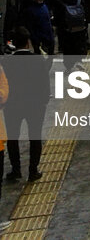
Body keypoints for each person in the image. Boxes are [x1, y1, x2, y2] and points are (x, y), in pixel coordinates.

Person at [4, 27, 49, 182]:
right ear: (28, 43)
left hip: (12, 105)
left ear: (13, 44)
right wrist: (43, 101)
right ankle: (33, 170)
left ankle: (15, 170)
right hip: (35, 105)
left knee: (12, 137)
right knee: (35, 136)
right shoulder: (38, 60)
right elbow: (45, 84)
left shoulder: (6, 62)